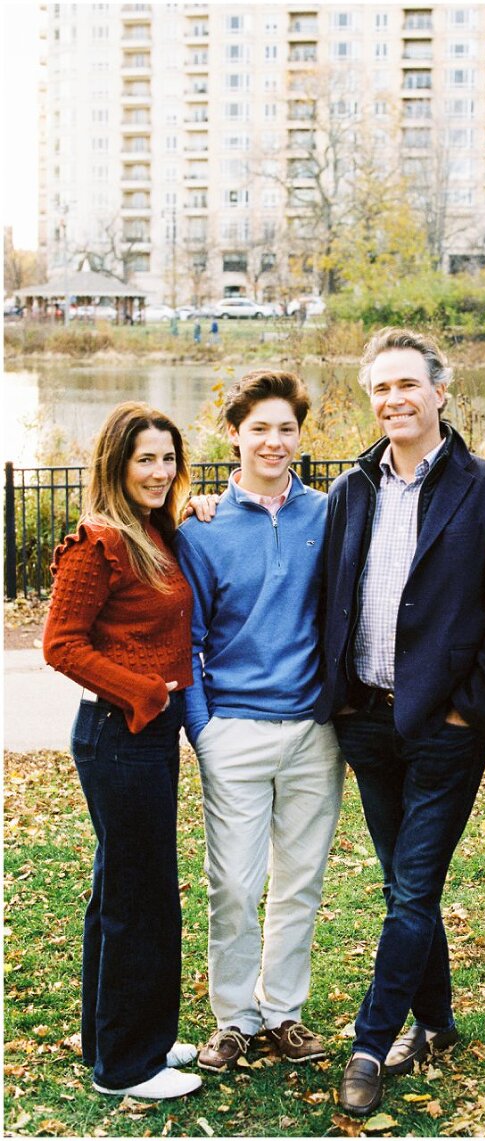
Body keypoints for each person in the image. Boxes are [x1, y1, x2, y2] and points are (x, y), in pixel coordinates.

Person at [314, 327, 485, 1117]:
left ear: (442, 391)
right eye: (380, 388)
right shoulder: (351, 488)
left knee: (410, 889)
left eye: (407, 384)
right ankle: (437, 1021)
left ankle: (372, 1041)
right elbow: (325, 590)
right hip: (365, 720)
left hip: (445, 726)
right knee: (406, 883)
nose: (393, 400)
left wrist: (468, 707)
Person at [175, 370, 345, 1073]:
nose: (274, 441)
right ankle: (234, 1018)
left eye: (286, 429)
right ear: (234, 434)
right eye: (260, 428)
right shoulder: (202, 527)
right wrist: (203, 730)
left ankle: (283, 1012)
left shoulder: (330, 514)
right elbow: (186, 638)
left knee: (300, 879)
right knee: (236, 885)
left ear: (300, 436)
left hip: (314, 732)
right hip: (234, 731)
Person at [42, 403, 201, 1100]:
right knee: (140, 897)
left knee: (123, 888)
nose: (160, 471)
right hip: (117, 734)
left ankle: (122, 1035)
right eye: (146, 459)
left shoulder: (150, 532)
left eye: (168, 458)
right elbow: (60, 643)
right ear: (117, 463)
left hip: (143, 734)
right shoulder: (98, 541)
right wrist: (141, 691)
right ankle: (127, 1066)